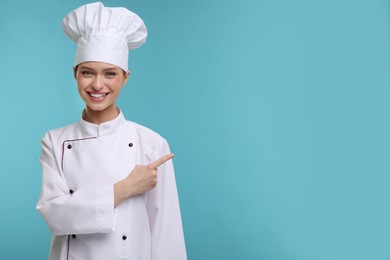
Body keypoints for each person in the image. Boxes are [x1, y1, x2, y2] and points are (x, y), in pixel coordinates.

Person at [36, 2, 187, 260]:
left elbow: (166, 231)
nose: (97, 84)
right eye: (87, 72)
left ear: (125, 77)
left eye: (109, 73)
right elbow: (55, 215)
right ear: (75, 74)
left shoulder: (151, 143)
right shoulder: (55, 141)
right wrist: (125, 188)